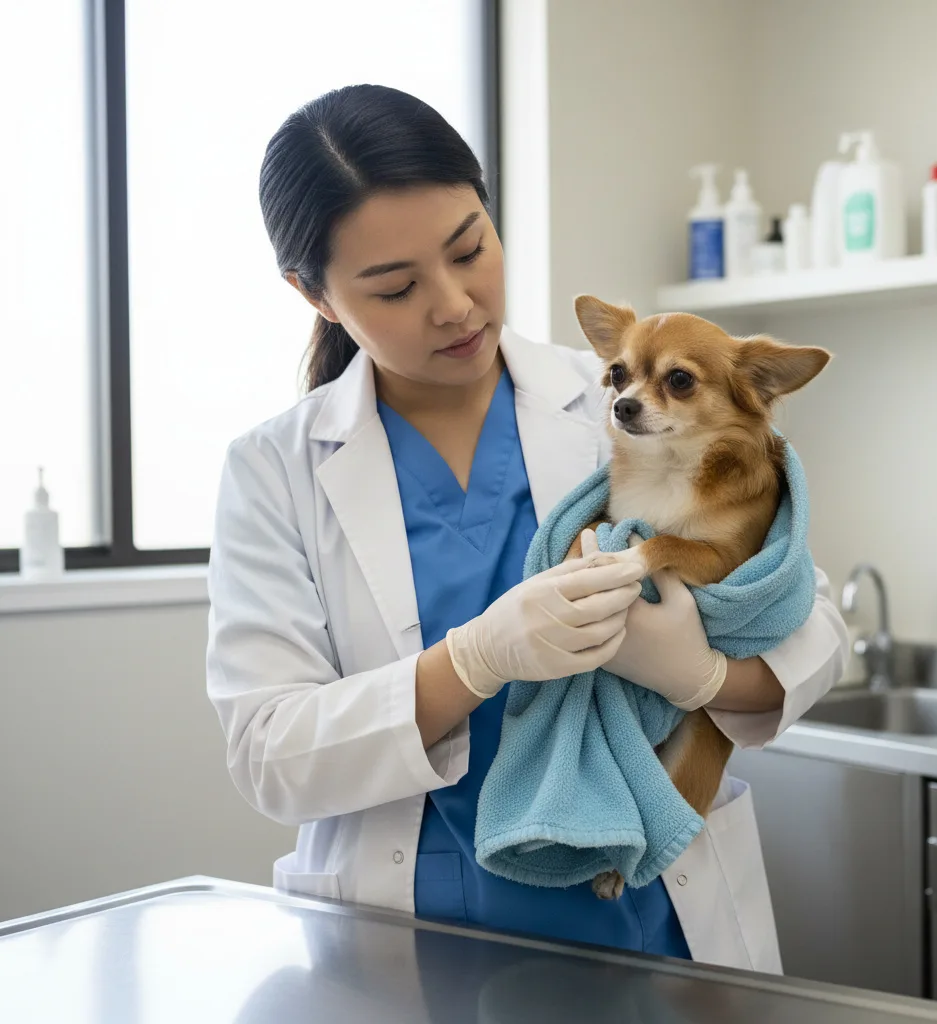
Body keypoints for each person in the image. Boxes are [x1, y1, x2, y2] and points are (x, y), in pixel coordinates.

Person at [206, 84, 849, 974]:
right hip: (410, 935)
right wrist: (473, 661)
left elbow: (810, 626)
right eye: (395, 287)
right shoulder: (274, 470)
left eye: (471, 250)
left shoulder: (624, 404)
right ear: (315, 296)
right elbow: (271, 757)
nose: (456, 305)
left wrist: (702, 673)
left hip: (654, 919)